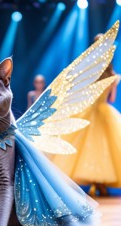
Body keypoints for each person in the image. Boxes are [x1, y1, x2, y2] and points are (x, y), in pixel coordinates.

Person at [50, 34, 121, 196]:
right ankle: (100, 185)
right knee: (105, 147)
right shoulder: (113, 75)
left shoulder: (90, 71)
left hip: (89, 111)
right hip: (104, 111)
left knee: (89, 146)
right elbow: (112, 98)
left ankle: (96, 185)